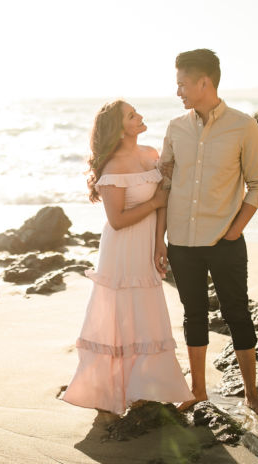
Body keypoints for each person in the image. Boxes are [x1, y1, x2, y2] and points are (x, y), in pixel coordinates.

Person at [154, 49, 258, 422]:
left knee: (237, 314)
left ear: (204, 82)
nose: (178, 91)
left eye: (182, 84)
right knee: (193, 315)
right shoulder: (175, 127)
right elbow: (164, 184)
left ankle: (252, 396)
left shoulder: (244, 126)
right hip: (182, 242)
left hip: (225, 241)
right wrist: (160, 239)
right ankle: (198, 391)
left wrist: (234, 230)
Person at [62, 99, 194, 417]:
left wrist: (160, 242)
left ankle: (145, 387)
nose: (140, 117)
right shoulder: (113, 167)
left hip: (147, 243)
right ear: (119, 130)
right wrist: (155, 203)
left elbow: (163, 201)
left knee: (146, 313)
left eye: (136, 113)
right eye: (132, 116)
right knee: (121, 314)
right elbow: (118, 219)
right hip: (121, 250)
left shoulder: (150, 154)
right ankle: (108, 388)